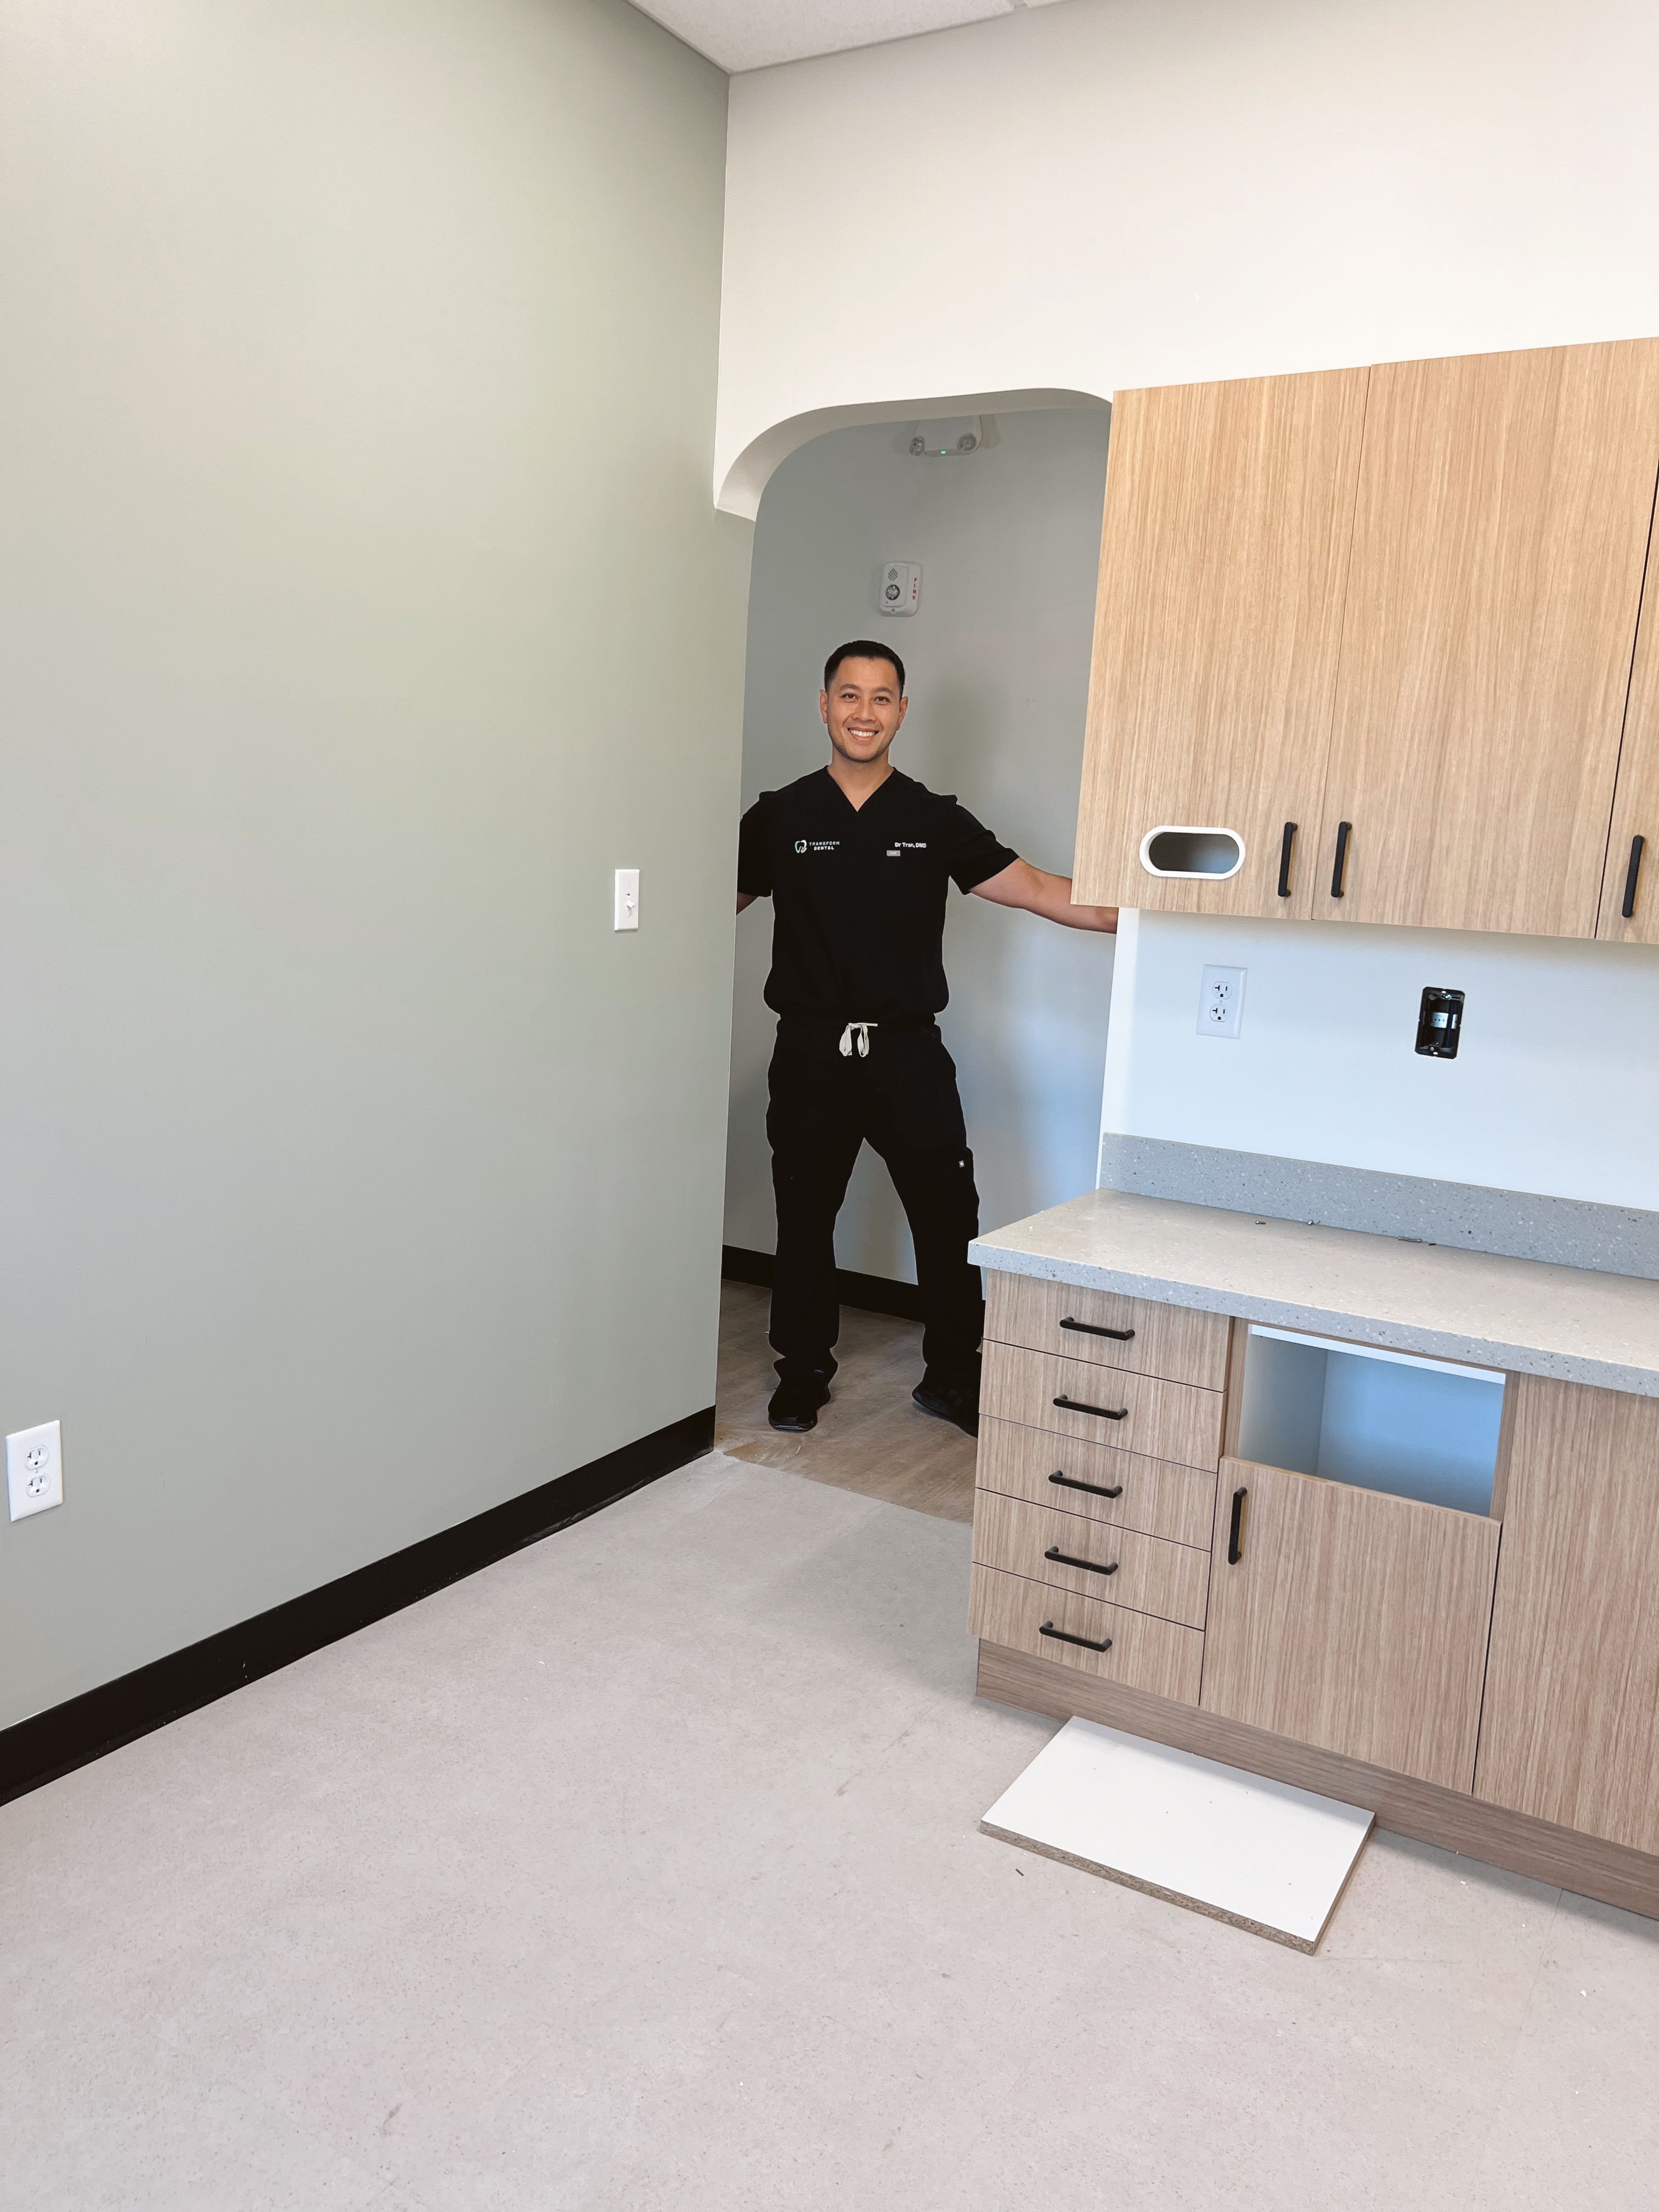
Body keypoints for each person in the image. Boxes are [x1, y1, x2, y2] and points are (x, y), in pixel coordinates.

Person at [736, 641, 1118, 1438]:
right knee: (804, 1217)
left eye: (881, 698)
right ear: (823, 705)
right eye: (850, 695)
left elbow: (1044, 891)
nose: (864, 712)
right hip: (810, 1052)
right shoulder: (780, 815)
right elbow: (703, 904)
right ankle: (802, 1372)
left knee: (948, 1216)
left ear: (902, 713)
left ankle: (952, 1376)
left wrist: (1153, 914)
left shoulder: (933, 818)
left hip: (909, 1055)